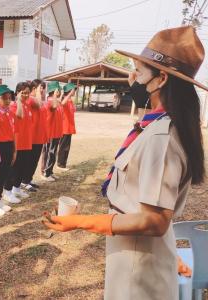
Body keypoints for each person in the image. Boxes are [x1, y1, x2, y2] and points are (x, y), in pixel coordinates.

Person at [43, 26, 206, 300]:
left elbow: (154, 221)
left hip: (139, 260)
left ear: (161, 78)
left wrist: (82, 222)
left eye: (140, 72)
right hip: (134, 250)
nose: (132, 79)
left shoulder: (161, 138)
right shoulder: (157, 126)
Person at [0, 85, 17, 215]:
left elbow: (13, 131)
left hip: (9, 145)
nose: (7, 100)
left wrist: (15, 150)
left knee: (5, 173)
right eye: (4, 98)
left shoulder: (10, 112)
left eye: (9, 97)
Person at [3, 82, 33, 201]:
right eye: (23, 92)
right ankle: (8, 191)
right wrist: (19, 100)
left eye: (27, 93)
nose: (26, 95)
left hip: (26, 142)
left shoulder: (27, 105)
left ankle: (16, 188)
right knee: (13, 169)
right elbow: (19, 116)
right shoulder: (14, 105)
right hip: (17, 142)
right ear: (17, 93)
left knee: (22, 167)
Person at [22, 79, 48, 192]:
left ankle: (29, 179)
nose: (42, 91)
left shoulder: (37, 99)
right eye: (41, 88)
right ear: (35, 88)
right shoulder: (31, 99)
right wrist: (37, 91)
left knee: (34, 161)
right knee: (29, 161)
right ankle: (24, 181)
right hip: (32, 137)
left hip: (38, 137)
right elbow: (38, 104)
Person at [41, 81, 63, 181]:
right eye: (58, 89)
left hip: (56, 132)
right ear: (54, 91)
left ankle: (50, 171)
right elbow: (53, 107)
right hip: (50, 133)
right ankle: (46, 173)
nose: (60, 91)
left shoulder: (56, 102)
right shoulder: (49, 102)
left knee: (53, 153)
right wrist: (55, 95)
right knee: (49, 152)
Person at [57, 82, 77, 170]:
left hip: (70, 128)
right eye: (73, 89)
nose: (75, 91)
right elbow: (62, 104)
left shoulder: (70, 100)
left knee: (67, 147)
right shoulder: (64, 99)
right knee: (63, 146)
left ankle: (63, 164)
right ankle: (60, 164)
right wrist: (68, 94)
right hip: (64, 128)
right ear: (69, 90)